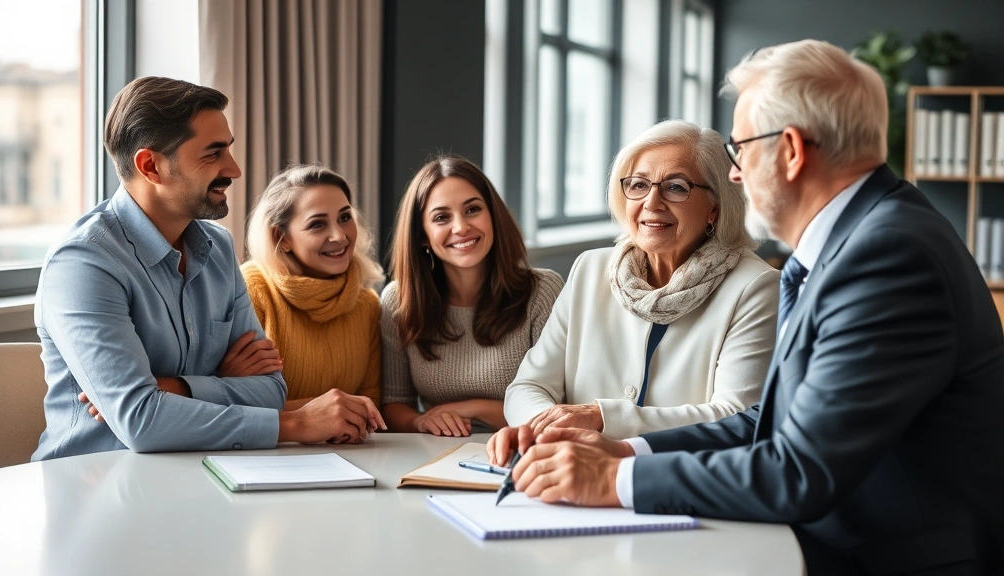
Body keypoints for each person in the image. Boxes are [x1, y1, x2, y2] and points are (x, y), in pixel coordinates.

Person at [489, 40, 1004, 574]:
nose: (735, 174)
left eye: (740, 150)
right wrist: (627, 453)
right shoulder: (862, 240)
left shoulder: (888, 256)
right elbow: (769, 422)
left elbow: (799, 471)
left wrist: (610, 480)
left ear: (790, 150)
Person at [33, 76, 384, 461]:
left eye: (228, 150)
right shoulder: (83, 265)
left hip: (202, 474)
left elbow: (271, 389)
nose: (233, 169)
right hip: (94, 483)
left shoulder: (219, 249)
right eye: (213, 153)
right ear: (151, 166)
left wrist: (177, 390)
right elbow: (142, 421)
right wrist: (294, 424)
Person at [494, 119, 778, 442]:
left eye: (676, 187)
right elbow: (527, 387)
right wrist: (552, 432)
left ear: (715, 207)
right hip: (572, 472)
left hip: (672, 482)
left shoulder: (756, 287)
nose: (651, 203)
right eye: (639, 185)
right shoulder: (590, 269)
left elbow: (735, 416)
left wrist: (602, 419)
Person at [381, 155, 564, 436]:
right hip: (433, 451)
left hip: (527, 448)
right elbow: (394, 403)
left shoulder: (542, 292)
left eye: (473, 209)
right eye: (442, 217)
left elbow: (556, 408)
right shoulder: (399, 301)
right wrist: (419, 422)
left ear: (493, 215)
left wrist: (473, 408)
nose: (461, 227)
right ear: (422, 236)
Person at [242, 164, 384, 422]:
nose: (339, 236)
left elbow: (371, 400)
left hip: (348, 454)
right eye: (318, 224)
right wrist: (318, 414)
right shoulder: (253, 290)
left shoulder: (367, 305)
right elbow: (233, 402)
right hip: (264, 454)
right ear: (281, 237)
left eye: (344, 217)